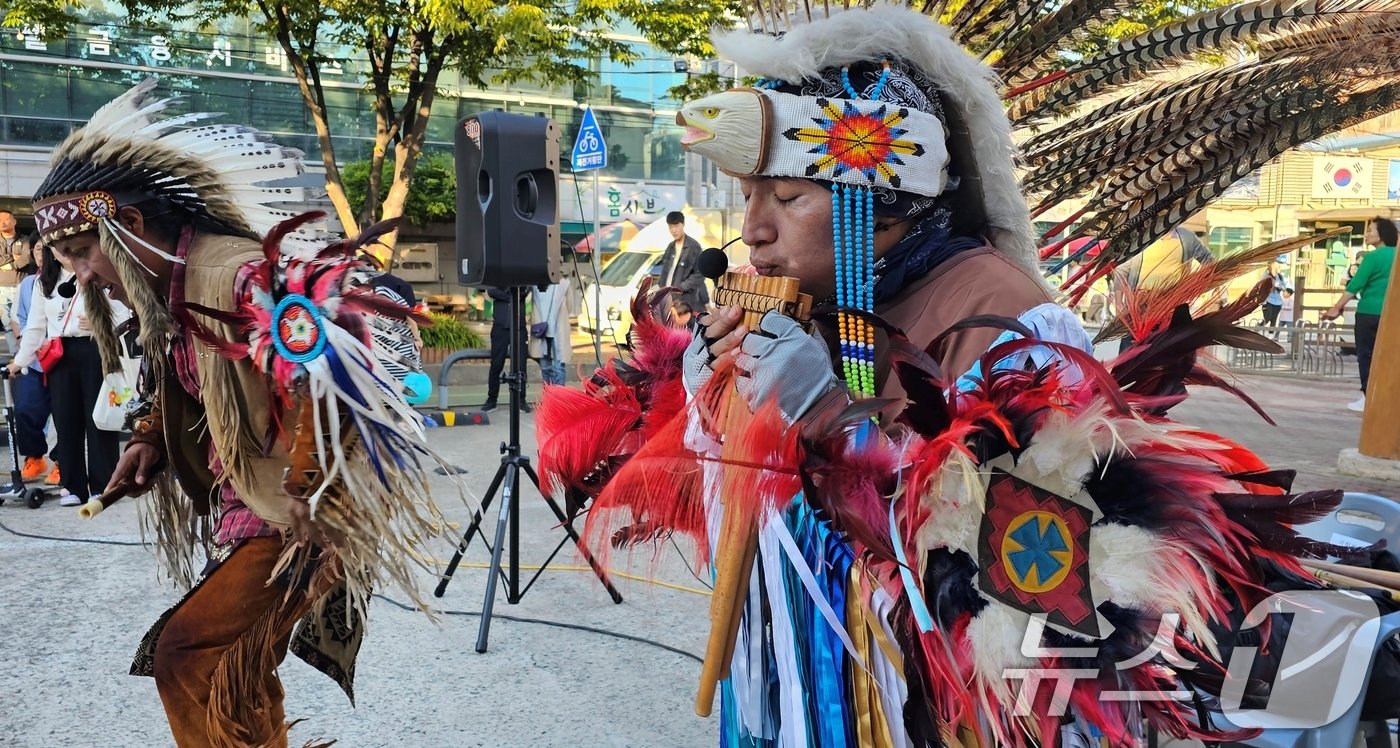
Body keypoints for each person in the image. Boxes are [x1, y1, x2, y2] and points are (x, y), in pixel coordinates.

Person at [537, 6, 1367, 746]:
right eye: (749, 195)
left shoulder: (1010, 324)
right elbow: (743, 517)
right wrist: (704, 399)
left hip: (935, 713)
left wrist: (832, 416)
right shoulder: (817, 299)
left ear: (885, 203)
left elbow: (1066, 583)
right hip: (802, 696)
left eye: (787, 195)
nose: (750, 232)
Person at [30, 78, 449, 746]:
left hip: (301, 511)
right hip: (254, 504)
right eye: (68, 259)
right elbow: (190, 380)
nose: (80, 273)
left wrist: (312, 487)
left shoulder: (237, 275)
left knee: (191, 655)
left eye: (82, 251)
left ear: (131, 226)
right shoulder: (171, 290)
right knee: (239, 669)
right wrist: (150, 441)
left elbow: (320, 374)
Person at [7, 241, 128, 506]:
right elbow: (37, 327)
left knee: (99, 419)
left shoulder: (100, 273)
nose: (63, 252)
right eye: (56, 247)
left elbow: (126, 311)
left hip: (96, 350)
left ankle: (103, 484)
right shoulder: (44, 283)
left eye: (68, 246)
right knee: (65, 419)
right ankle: (73, 486)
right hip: (60, 354)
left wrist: (101, 323)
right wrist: (20, 360)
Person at [1325, 216, 1397, 412]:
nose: (1366, 234)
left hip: (1368, 312)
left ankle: (1368, 397)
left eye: (1371, 230)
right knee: (1389, 358)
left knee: (1366, 356)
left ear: (1382, 235)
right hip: (1392, 315)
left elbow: (1355, 285)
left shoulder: (1372, 258)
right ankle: (1387, 399)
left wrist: (1335, 308)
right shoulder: (1397, 256)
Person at [8, 235, 57, 486]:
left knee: (64, 415)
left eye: (45, 248)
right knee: (25, 408)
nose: (41, 253)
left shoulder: (65, 279)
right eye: (37, 248)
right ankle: (34, 457)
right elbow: (18, 317)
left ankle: (61, 462)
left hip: (61, 357)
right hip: (33, 359)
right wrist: (25, 345)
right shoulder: (27, 284)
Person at [659, 211, 708, 311]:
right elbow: (665, 272)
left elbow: (700, 274)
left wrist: (680, 287)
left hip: (685, 302)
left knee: (685, 326)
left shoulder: (694, 246)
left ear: (683, 224)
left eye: (676, 226)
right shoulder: (670, 246)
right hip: (668, 300)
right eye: (670, 227)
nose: (673, 230)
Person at [530, 278, 572, 386]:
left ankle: (558, 398)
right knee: (546, 367)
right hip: (541, 331)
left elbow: (569, 307)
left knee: (557, 367)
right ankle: (550, 397)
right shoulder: (534, 285)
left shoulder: (564, 284)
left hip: (558, 330)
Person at [0, 210, 35, 334]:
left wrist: (8, 263)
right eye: (0, 220)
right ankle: (15, 351)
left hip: (22, 283)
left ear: (14, 221)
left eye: (6, 219)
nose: (3, 223)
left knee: (24, 318)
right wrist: (15, 258)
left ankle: (26, 346)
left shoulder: (26, 239)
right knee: (6, 322)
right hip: (2, 287)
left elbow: (27, 258)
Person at [1260, 256, 1291, 326]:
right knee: (1267, 318)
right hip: (1268, 300)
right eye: (1278, 263)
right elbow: (1261, 286)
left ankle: (1271, 335)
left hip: (1277, 302)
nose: (1279, 264)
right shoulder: (1266, 275)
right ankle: (1257, 330)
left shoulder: (1279, 276)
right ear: (1272, 264)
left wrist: (1279, 286)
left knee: (1274, 320)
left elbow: (1284, 287)